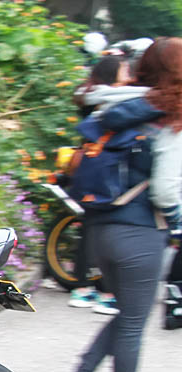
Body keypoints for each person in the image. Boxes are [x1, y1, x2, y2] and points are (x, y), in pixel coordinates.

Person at [55, 37, 182, 372]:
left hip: (99, 227)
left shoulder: (119, 106)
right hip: (141, 231)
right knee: (133, 320)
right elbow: (165, 188)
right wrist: (178, 222)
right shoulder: (170, 117)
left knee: (128, 312)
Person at [68, 55, 138, 315]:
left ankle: (84, 288)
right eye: (125, 69)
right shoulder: (108, 97)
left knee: (90, 231)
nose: (129, 73)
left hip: (90, 169)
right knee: (106, 232)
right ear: (112, 73)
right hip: (105, 172)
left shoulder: (91, 93)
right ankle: (104, 292)